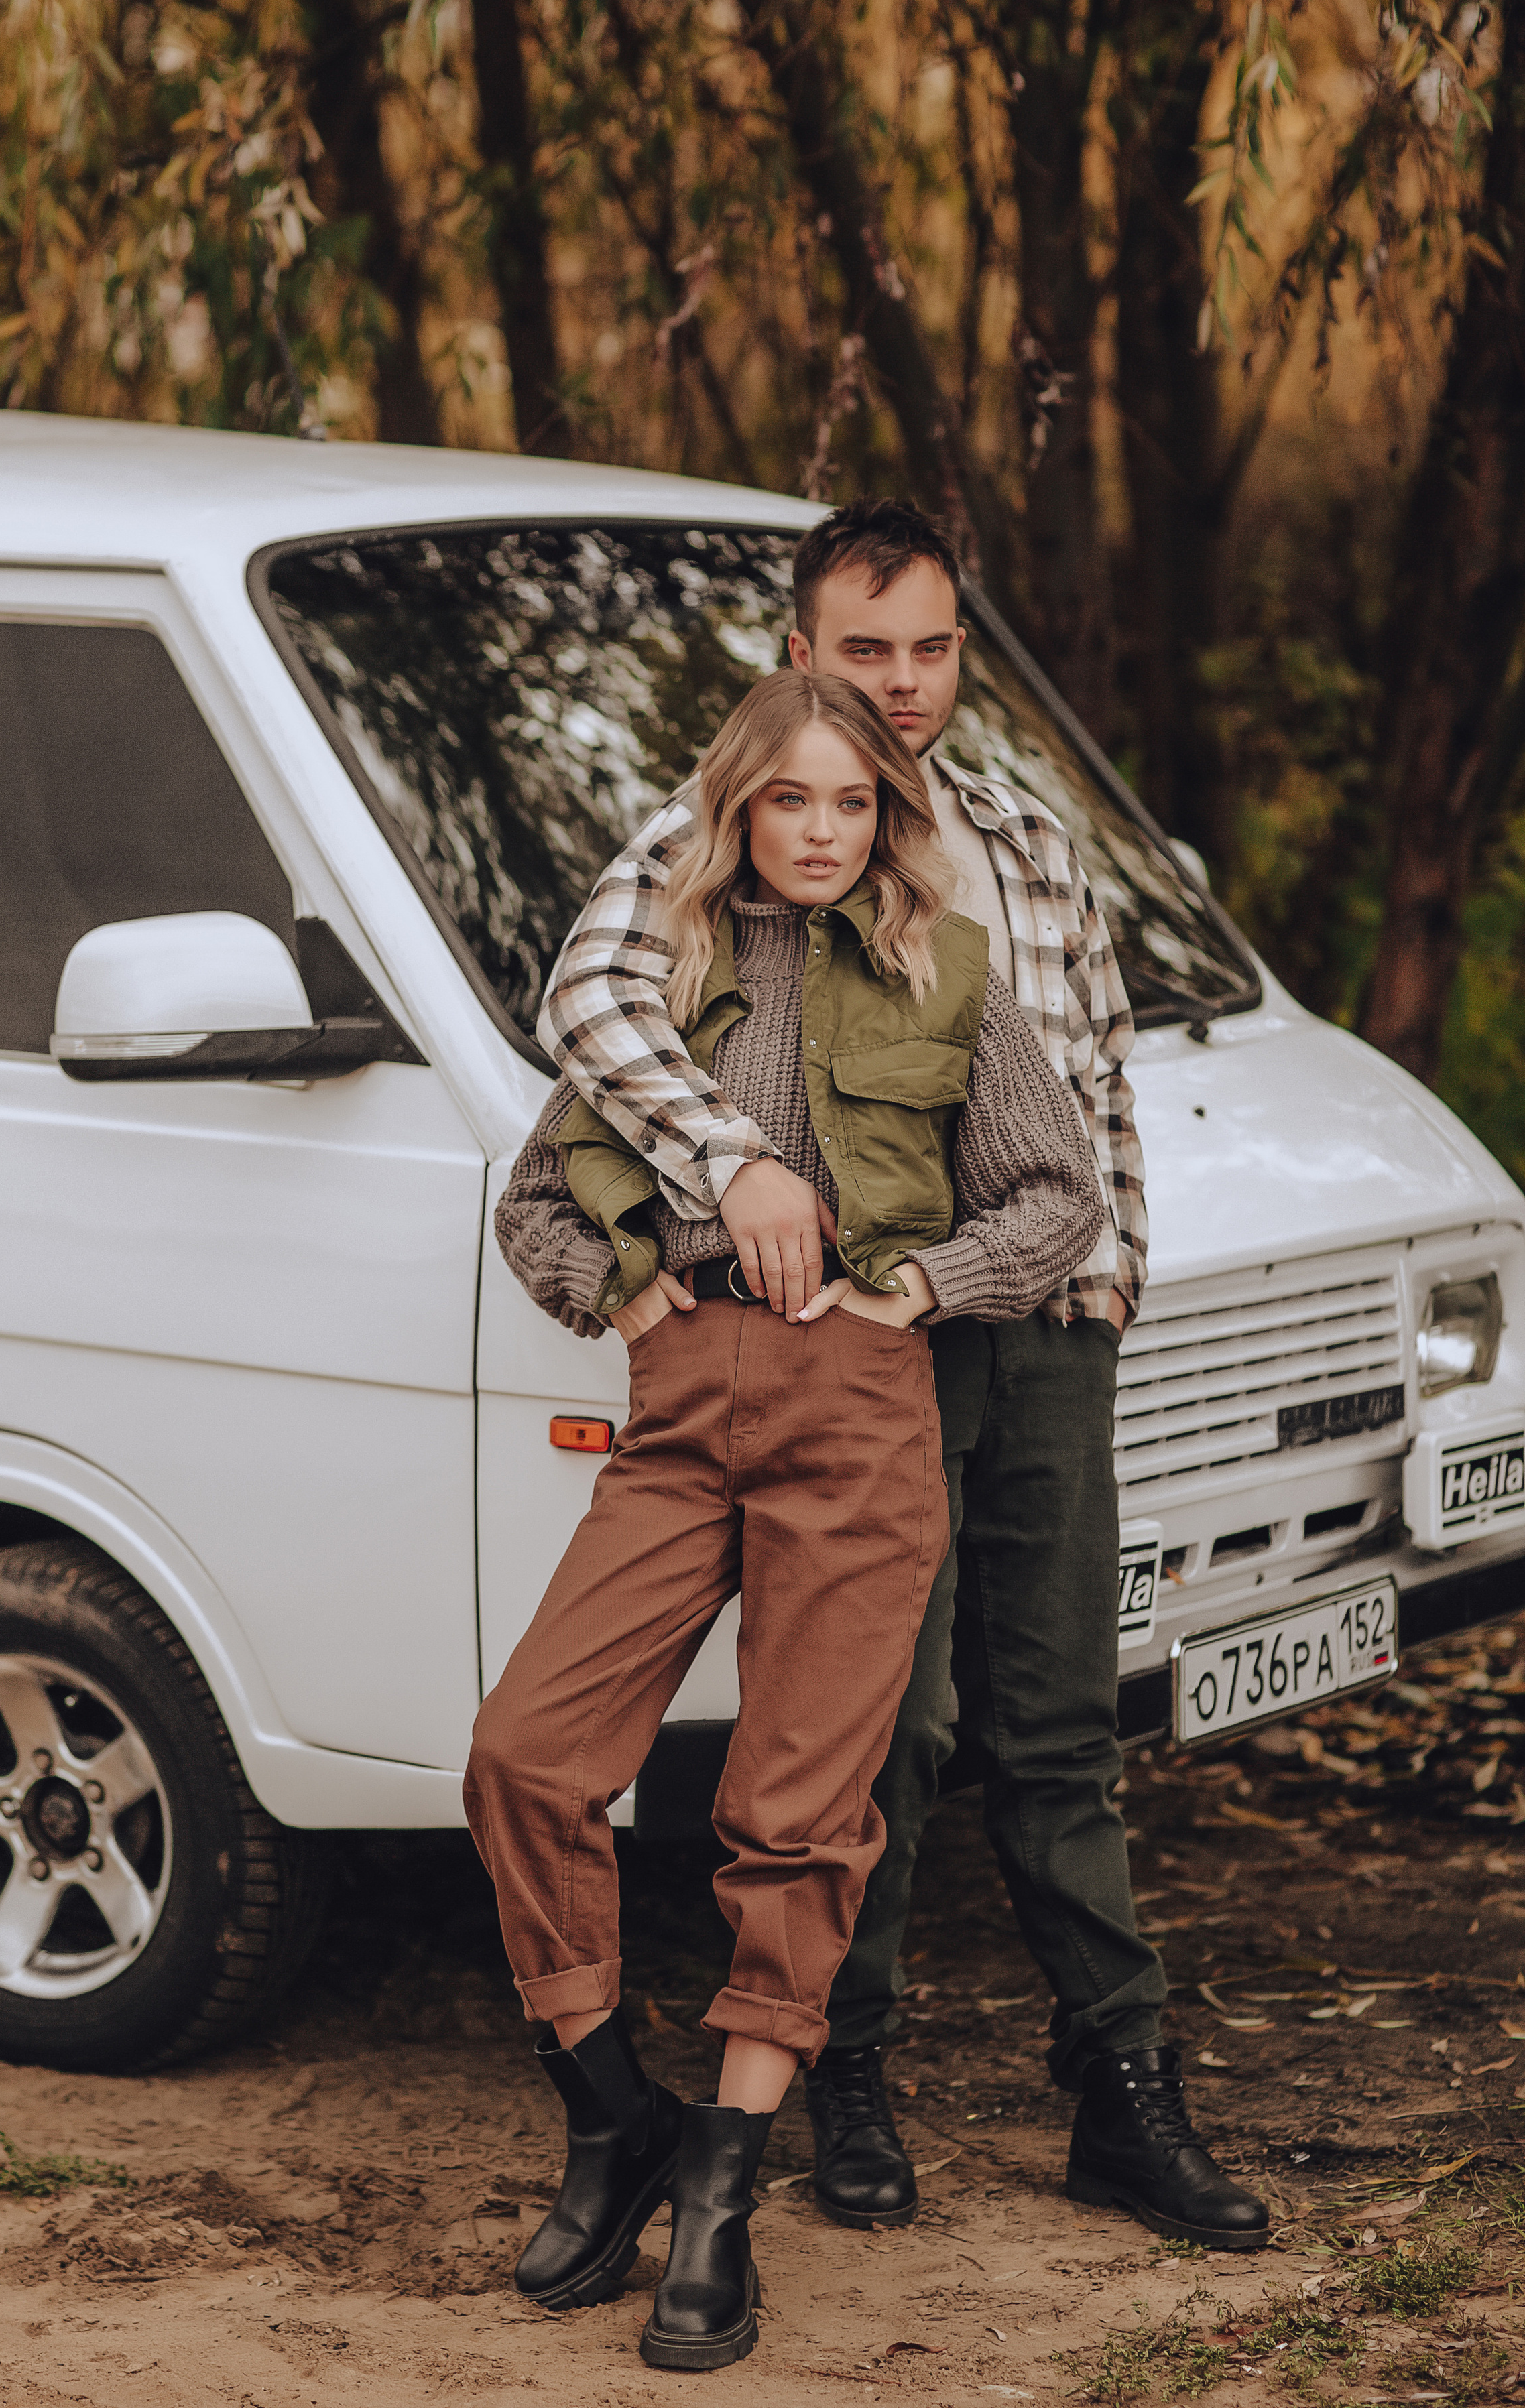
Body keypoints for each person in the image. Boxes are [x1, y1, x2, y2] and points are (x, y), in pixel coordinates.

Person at [536, 497, 1270, 2255]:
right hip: (867, 1349)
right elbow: (594, 1010)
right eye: (865, 650)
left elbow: (1091, 1085)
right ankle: (844, 2073)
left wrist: (1104, 1283)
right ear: (802, 653)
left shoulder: (1025, 840)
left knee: (1062, 1725)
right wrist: (731, 1180)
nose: (903, 682)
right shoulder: (722, 829)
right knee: (886, 1732)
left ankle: (1121, 2086)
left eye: (931, 648)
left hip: (1040, 1325)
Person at [468, 668, 1105, 2372]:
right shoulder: (662, 987)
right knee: (524, 1759)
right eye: (788, 800)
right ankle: (612, 2114)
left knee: (796, 1815)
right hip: (682, 1412)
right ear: (734, 811)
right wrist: (625, 1300)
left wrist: (920, 1289)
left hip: (858, 1419)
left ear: (886, 817)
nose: (820, 832)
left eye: (851, 802)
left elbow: (1059, 1195)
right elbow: (533, 1199)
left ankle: (723, 2186)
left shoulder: (942, 974)